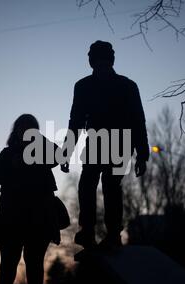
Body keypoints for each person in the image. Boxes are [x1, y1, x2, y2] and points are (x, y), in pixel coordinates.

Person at [61, 40, 149, 250]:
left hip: (120, 142)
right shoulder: (84, 87)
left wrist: (142, 153)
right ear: (93, 63)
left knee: (108, 184)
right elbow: (76, 121)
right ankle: (91, 231)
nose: (99, 66)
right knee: (90, 183)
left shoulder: (126, 86)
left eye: (102, 61)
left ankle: (110, 234)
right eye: (96, 61)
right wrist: (66, 152)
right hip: (99, 142)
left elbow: (138, 120)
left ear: (108, 61)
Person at [0, 114, 60, 284]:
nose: (28, 134)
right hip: (13, 218)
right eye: (24, 129)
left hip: (37, 218)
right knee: (10, 264)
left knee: (34, 264)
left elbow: (58, 156)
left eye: (32, 130)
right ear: (17, 132)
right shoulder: (8, 153)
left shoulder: (43, 151)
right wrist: (14, 164)